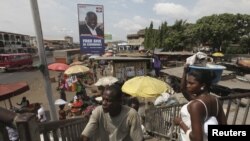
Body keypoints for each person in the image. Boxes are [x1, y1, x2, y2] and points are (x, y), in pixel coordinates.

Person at [173, 64, 227, 141]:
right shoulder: (215, 100)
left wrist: (180, 123)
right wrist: (185, 72)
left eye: (191, 83)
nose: (188, 85)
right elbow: (183, 89)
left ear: (203, 85)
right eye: (187, 83)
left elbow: (197, 139)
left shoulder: (196, 105)